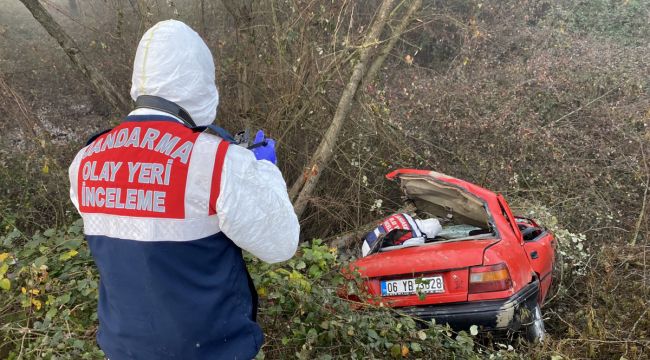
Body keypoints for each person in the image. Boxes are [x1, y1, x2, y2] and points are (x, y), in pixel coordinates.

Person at [68, 20, 299, 359]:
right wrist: (264, 171)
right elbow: (281, 244)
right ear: (199, 81)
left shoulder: (85, 160)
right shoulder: (218, 160)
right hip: (210, 350)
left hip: (124, 349)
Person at [361, 213, 441, 256]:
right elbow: (406, 253)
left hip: (368, 239)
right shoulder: (417, 238)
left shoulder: (403, 215)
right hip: (372, 251)